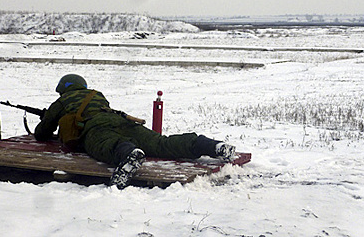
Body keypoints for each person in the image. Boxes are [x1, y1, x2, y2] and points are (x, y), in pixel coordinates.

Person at [34, 74, 236, 189]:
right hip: (122, 120)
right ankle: (211, 146)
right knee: (161, 143)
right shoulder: (97, 94)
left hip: (96, 127)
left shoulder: (61, 101)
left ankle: (129, 155)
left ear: (63, 89)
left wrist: (49, 120)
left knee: (105, 146)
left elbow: (42, 132)